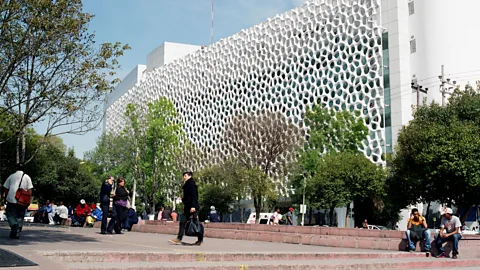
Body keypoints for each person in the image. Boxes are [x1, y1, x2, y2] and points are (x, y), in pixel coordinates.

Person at [169, 172, 203, 245]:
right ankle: (179, 238)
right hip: (188, 207)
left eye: (185, 176)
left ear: (190, 176)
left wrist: (193, 206)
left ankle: (200, 239)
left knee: (196, 223)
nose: (184, 177)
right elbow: (188, 197)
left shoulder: (191, 184)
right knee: (182, 222)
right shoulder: (187, 185)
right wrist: (182, 199)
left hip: (192, 207)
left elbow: (194, 196)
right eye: (183, 176)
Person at [3, 163, 33, 239]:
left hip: (11, 199)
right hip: (22, 201)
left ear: (16, 168)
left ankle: (14, 226)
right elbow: (30, 190)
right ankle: (17, 231)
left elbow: (6, 189)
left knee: (10, 214)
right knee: (20, 216)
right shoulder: (27, 177)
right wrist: (28, 200)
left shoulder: (11, 176)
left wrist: (5, 198)